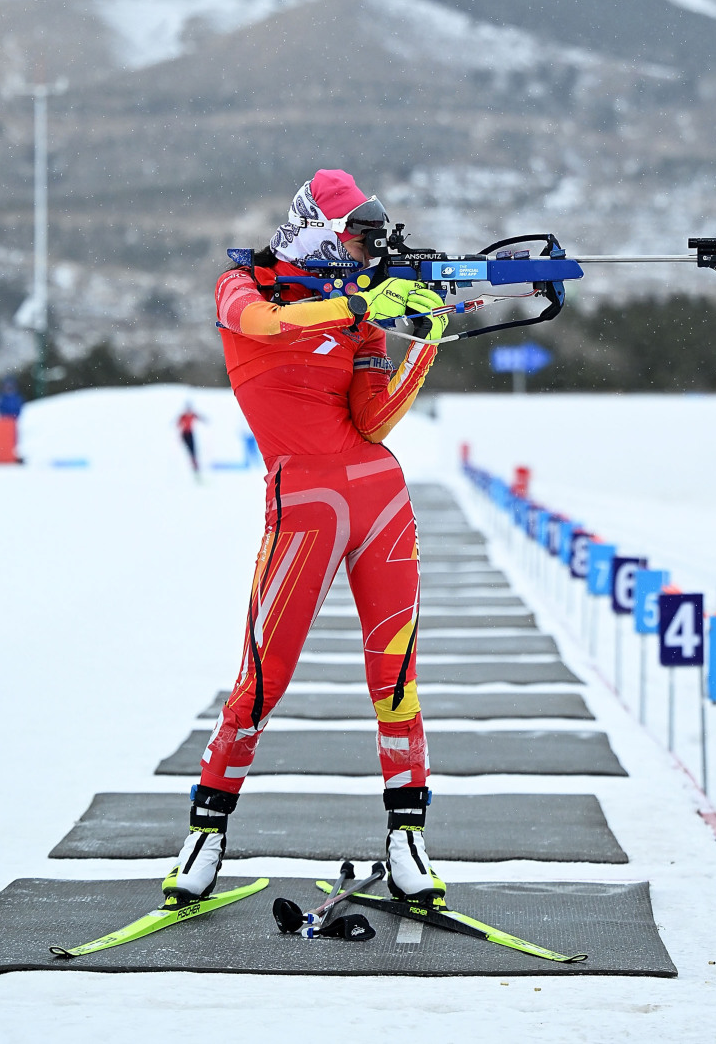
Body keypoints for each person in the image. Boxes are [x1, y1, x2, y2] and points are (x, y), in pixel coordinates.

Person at [162, 170, 448, 911]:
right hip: (303, 504)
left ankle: (407, 833)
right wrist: (359, 300)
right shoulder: (243, 285)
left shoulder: (357, 318)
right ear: (315, 229)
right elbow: (263, 327)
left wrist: (422, 338)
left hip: (380, 497)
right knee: (262, 677)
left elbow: (373, 421)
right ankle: (207, 827)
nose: (360, 251)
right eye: (351, 236)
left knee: (396, 673)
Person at [176, 402, 204, 474]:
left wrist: (204, 420)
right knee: (189, 450)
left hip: (190, 434)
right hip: (185, 434)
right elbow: (178, 423)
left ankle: (195, 464)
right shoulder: (183, 416)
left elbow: (199, 417)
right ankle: (193, 464)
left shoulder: (192, 415)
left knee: (193, 449)